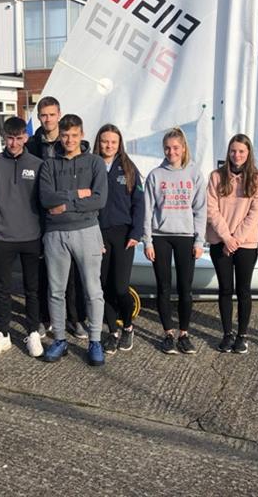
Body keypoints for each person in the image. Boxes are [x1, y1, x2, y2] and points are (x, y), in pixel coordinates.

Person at [39, 114, 108, 366]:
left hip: (87, 230)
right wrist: (77, 196)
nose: (69, 139)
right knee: (56, 291)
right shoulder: (48, 165)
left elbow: (99, 199)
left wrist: (65, 204)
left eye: (74, 135)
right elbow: (46, 198)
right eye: (65, 135)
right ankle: (59, 339)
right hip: (55, 234)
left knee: (92, 290)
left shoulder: (95, 163)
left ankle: (95, 340)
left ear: (82, 135)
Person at [0, 117, 44, 357]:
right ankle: (2, 333)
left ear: (26, 138)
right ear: (4, 138)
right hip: (2, 237)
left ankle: (33, 332)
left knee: (32, 288)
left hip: (31, 236)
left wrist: (42, 233)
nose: (14, 143)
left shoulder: (38, 164)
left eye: (19, 138)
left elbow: (42, 201)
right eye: (10, 138)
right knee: (3, 289)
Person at [143, 127, 206, 355]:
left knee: (185, 289)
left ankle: (184, 334)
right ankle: (168, 333)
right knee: (163, 287)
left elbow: (200, 210)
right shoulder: (155, 175)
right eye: (168, 148)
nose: (172, 152)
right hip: (161, 237)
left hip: (185, 237)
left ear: (183, 148)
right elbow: (148, 210)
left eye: (176, 147)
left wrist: (199, 242)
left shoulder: (194, 174)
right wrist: (147, 241)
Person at [28, 96, 87, 339]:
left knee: (71, 271)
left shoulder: (72, 145)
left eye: (52, 114)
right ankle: (44, 319)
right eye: (43, 115)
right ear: (39, 117)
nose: (48, 119)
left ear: (59, 115)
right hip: (39, 213)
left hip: (66, 213)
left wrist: (65, 203)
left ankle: (74, 319)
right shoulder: (32, 144)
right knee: (43, 269)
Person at [206, 134, 258, 354]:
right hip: (220, 241)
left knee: (243, 290)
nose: (237, 155)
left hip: (246, 243)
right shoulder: (216, 177)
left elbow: (255, 213)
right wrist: (226, 238)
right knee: (225, 289)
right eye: (233, 151)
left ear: (248, 153)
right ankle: (227, 334)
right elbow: (211, 210)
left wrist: (237, 238)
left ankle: (242, 335)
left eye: (241, 151)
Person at [93, 124, 144, 354]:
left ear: (119, 143)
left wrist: (136, 233)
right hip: (99, 233)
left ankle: (128, 326)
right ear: (99, 142)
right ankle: (112, 332)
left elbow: (139, 203)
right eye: (105, 141)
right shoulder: (91, 165)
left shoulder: (128, 167)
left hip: (124, 235)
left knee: (121, 287)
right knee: (103, 286)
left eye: (113, 142)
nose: (109, 145)